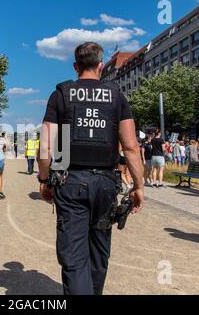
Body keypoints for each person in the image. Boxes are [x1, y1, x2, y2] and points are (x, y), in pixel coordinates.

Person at [38, 42, 144, 295]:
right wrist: (139, 186)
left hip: (70, 180)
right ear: (100, 65)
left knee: (74, 257)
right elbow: (130, 147)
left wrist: (44, 180)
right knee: (99, 252)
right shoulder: (116, 96)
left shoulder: (61, 95)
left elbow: (47, 148)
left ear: (76, 66)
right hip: (106, 184)